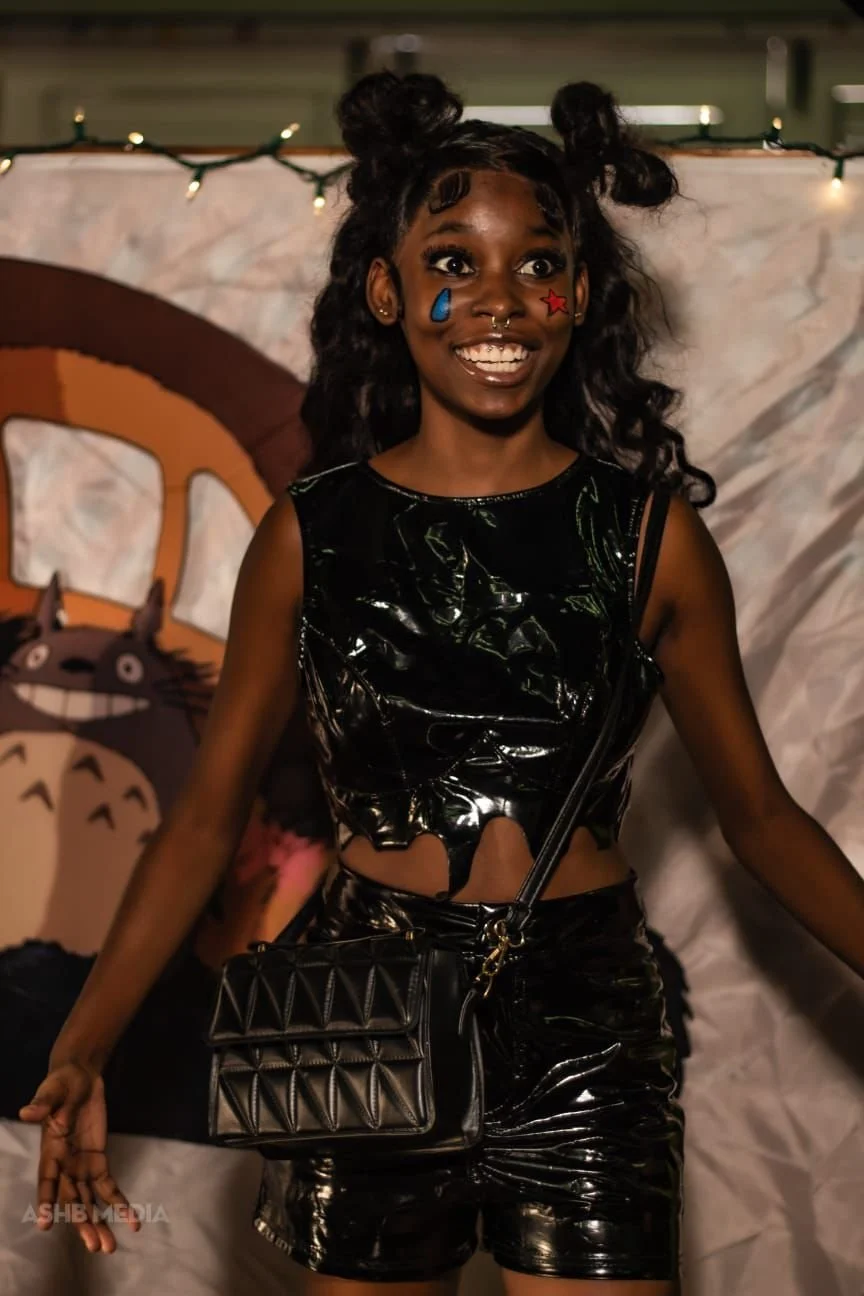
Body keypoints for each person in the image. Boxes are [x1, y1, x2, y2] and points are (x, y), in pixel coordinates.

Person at [19, 72, 864, 1296]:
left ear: (580, 294)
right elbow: (204, 820)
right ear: (388, 289)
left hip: (587, 1019)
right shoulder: (312, 534)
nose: (499, 298)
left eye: (539, 263)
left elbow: (766, 822)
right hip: (364, 1004)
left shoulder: (647, 535)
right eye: (454, 261)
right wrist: (83, 1046)